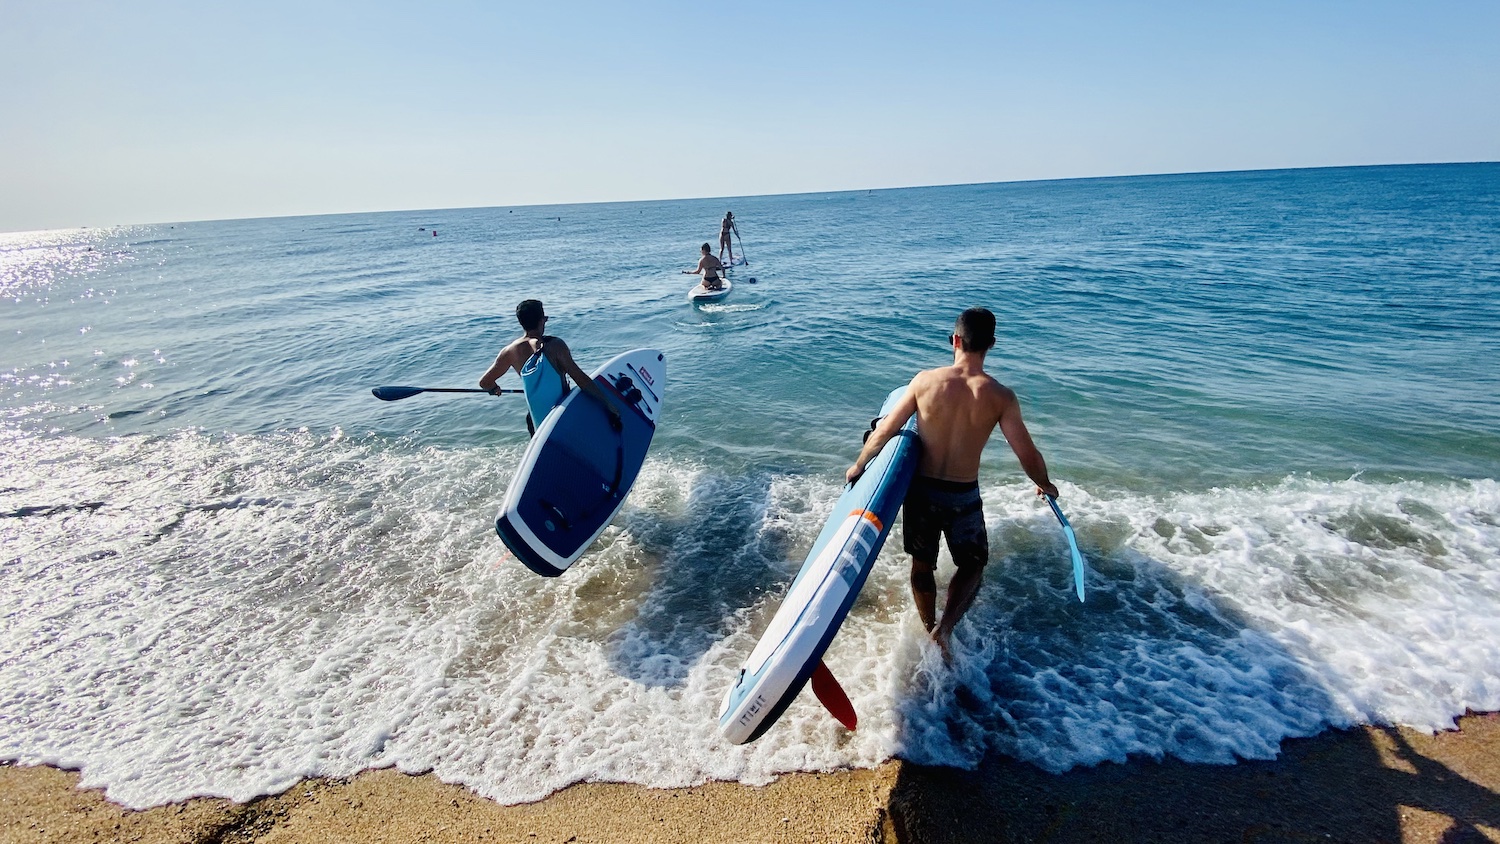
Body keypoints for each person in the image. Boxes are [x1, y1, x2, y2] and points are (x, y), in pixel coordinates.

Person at [845, 307, 1059, 659]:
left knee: (922, 564)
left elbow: (886, 430)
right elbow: (1027, 452)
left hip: (921, 493)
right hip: (963, 496)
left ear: (955, 340)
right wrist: (1044, 483)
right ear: (991, 345)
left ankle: (928, 622)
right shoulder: (1000, 396)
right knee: (973, 565)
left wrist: (858, 465)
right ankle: (945, 629)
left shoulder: (924, 381)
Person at [478, 299, 621, 433]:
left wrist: (494, 388)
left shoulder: (509, 351)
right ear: (542, 320)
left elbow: (485, 382)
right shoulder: (555, 346)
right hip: (561, 415)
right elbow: (580, 379)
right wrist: (608, 404)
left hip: (537, 420)